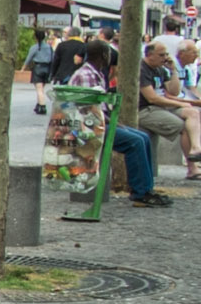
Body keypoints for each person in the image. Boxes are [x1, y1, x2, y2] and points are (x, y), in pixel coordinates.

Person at [67, 43, 171, 207]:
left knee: (143, 137)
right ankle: (140, 192)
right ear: (104, 55)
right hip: (88, 127)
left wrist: (114, 121)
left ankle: (147, 188)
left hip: (98, 122)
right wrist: (111, 121)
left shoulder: (96, 74)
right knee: (135, 142)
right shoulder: (86, 75)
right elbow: (88, 109)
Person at [138, 42, 201, 178]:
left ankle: (196, 149)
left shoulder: (160, 69)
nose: (165, 58)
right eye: (161, 55)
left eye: (166, 54)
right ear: (150, 55)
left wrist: (173, 71)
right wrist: (179, 104)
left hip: (162, 106)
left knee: (193, 113)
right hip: (146, 109)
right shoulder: (142, 69)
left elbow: (174, 90)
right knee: (182, 126)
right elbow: (152, 98)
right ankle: (192, 167)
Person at [24, 29, 55, 114]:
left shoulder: (34, 47)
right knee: (41, 88)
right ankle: (38, 104)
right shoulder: (49, 47)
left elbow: (28, 59)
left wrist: (23, 68)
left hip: (38, 68)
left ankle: (42, 106)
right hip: (47, 68)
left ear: (35, 37)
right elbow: (53, 58)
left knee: (39, 89)